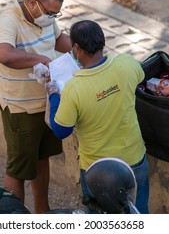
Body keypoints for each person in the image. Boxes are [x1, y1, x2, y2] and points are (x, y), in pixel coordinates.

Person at [46, 20, 150, 214]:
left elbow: (61, 130)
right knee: (139, 212)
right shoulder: (126, 64)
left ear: (76, 48)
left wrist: (53, 95)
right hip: (134, 158)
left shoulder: (74, 88)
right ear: (102, 41)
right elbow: (140, 77)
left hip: (98, 169)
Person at [0, 0, 71, 213]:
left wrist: (85, 49)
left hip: (46, 104)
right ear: (31, 2)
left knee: (41, 158)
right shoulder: (9, 19)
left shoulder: (47, 21)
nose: (51, 18)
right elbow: (4, 54)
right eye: (49, 13)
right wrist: (40, 59)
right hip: (21, 109)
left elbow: (59, 40)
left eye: (56, 14)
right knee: (17, 170)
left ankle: (41, 212)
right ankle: (14, 219)